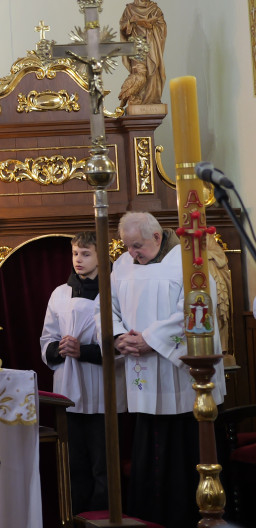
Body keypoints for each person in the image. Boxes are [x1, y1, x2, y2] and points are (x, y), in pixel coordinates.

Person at [107, 211, 225, 528]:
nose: (132, 252)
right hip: (141, 370)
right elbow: (105, 306)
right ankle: (148, 517)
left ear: (157, 237)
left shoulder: (188, 263)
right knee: (149, 446)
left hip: (180, 377)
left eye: (138, 245)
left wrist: (150, 339)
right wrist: (119, 337)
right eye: (128, 246)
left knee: (182, 448)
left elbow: (197, 309)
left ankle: (185, 515)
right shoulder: (120, 266)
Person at [40, 231, 125, 514]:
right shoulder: (59, 293)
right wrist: (59, 348)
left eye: (86, 254)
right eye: (76, 253)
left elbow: (122, 342)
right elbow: (46, 339)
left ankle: (103, 515)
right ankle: (75, 515)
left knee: (104, 462)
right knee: (74, 462)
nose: (78, 259)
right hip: (68, 388)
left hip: (100, 386)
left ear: (102, 257)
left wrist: (84, 351)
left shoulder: (114, 292)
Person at [118, 0, 167, 105]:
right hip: (138, 45)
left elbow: (162, 25)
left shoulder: (154, 9)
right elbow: (123, 26)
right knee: (140, 73)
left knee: (153, 71)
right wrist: (130, 21)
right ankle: (135, 97)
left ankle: (151, 99)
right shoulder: (129, 9)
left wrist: (153, 25)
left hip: (151, 43)